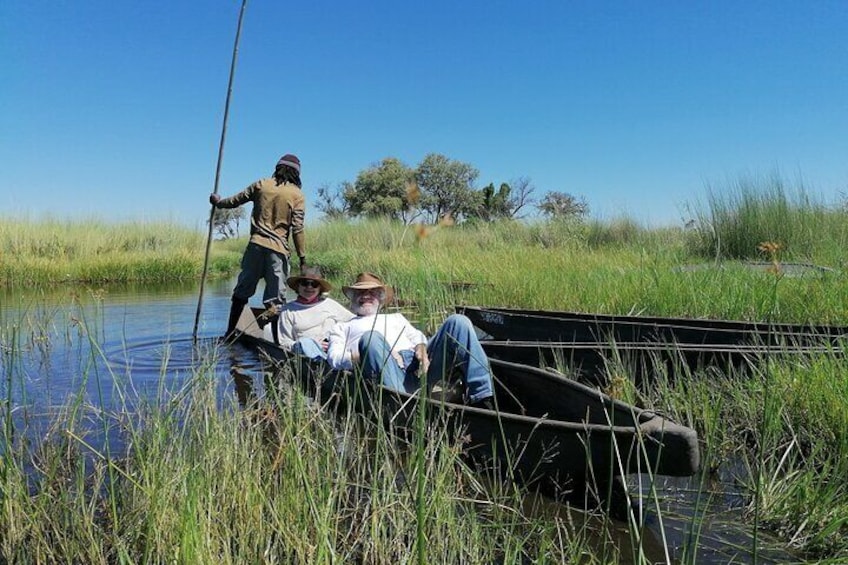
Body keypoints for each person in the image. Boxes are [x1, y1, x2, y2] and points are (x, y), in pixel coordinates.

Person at [325, 272, 495, 408]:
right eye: (361, 292)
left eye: (372, 293)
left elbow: (417, 336)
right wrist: (367, 353)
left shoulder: (396, 317)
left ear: (381, 298)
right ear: (353, 297)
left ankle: (482, 397)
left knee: (458, 321)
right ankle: (401, 406)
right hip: (386, 372)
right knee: (371, 339)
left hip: (419, 368)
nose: (366, 296)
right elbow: (334, 358)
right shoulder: (342, 327)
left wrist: (421, 350)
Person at [210, 154, 307, 337]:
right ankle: (276, 341)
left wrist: (218, 202)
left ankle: (230, 333)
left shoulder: (261, 185)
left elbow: (234, 201)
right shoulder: (297, 195)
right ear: (297, 173)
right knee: (275, 301)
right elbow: (298, 229)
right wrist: (302, 258)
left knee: (241, 294)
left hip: (255, 248)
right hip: (277, 252)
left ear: (278, 168)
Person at [270, 266, 354, 360]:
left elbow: (354, 321)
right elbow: (284, 342)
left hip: (333, 350)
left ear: (320, 288)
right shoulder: (288, 310)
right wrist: (307, 344)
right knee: (306, 342)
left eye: (314, 284)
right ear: (298, 286)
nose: (309, 287)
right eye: (305, 283)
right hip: (305, 355)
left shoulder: (330, 304)